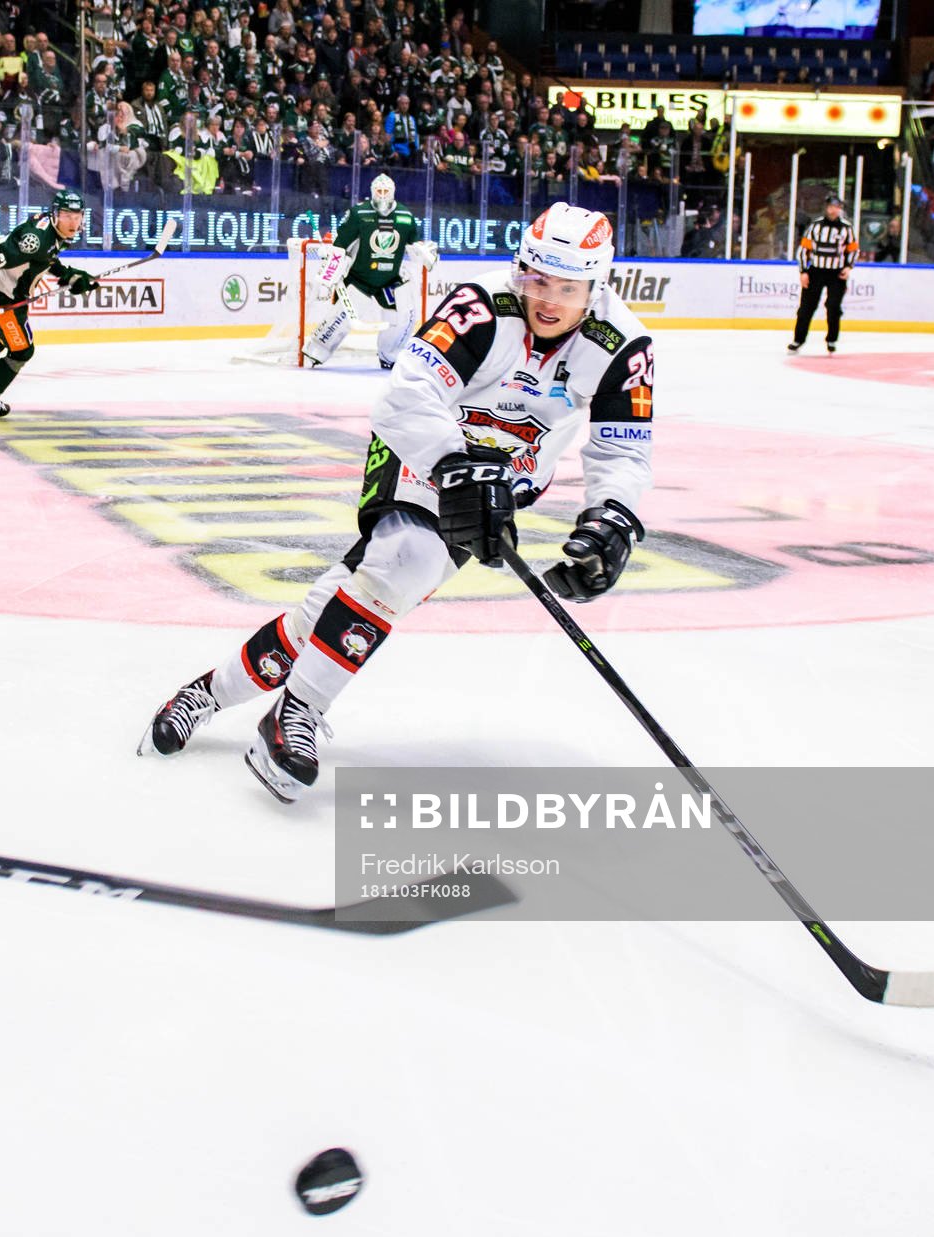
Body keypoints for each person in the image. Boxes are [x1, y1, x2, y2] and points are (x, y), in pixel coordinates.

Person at [141, 202, 655, 802]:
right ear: (520, 268)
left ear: (597, 286)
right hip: (422, 451)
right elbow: (405, 396)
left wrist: (613, 520)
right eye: (537, 278)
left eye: (568, 286)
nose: (548, 298)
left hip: (501, 489)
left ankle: (209, 692)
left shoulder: (624, 344)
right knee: (402, 564)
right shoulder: (480, 307)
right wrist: (454, 466)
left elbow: (623, 450)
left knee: (338, 607)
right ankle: (293, 715)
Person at [0, 188, 97, 418]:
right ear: (55, 214)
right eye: (67, 215)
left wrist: (68, 275)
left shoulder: (51, 231)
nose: (73, 222)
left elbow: (45, 259)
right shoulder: (35, 240)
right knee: (23, 350)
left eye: (77, 216)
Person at [303, 173, 438, 370]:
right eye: (379, 191)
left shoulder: (405, 216)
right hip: (360, 278)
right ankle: (317, 350)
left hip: (389, 279)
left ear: (393, 192)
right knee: (342, 317)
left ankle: (389, 355)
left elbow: (413, 243)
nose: (382, 195)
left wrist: (424, 252)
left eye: (386, 191)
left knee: (402, 316)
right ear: (372, 192)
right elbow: (341, 244)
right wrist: (332, 258)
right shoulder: (359, 214)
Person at [790, 192, 857, 354]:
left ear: (840, 209)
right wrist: (803, 271)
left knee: (833, 306)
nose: (833, 210)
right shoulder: (816, 226)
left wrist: (848, 267)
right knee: (806, 307)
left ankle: (832, 339)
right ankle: (798, 339)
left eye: (836, 207)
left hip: (837, 273)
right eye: (831, 207)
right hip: (816, 272)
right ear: (826, 208)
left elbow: (853, 249)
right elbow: (803, 250)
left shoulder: (846, 228)